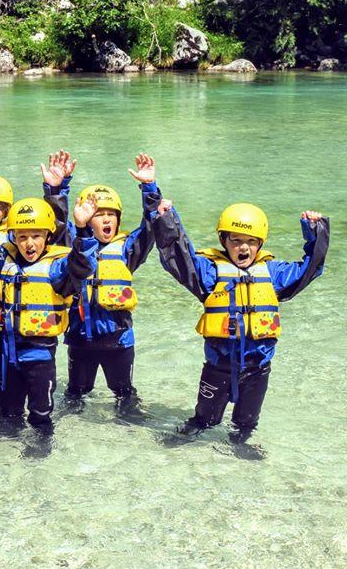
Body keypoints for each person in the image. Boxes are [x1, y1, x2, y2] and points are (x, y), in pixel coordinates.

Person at [151, 201, 329, 444]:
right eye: (235, 240)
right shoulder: (211, 273)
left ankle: (240, 452)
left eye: (251, 241)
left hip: (257, 369)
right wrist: (167, 219)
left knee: (245, 425)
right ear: (224, 241)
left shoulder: (273, 275)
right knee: (204, 419)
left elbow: (311, 267)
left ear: (260, 244)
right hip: (219, 367)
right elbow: (179, 258)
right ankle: (187, 438)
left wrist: (315, 230)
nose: (243, 247)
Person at [0, 195, 98, 435]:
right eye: (22, 237)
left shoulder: (56, 269)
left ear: (48, 237)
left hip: (40, 354)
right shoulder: (4, 263)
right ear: (13, 237)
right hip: (9, 351)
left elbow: (82, 266)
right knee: (10, 412)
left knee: (40, 413)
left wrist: (82, 230)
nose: (29, 244)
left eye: (36, 236)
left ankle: (41, 456)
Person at [63, 155, 161, 412]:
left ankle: (132, 436)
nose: (107, 220)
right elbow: (59, 220)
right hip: (80, 337)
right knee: (76, 394)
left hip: (118, 339)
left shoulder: (127, 250)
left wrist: (149, 188)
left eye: (112, 215)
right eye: (99, 214)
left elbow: (151, 226)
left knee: (124, 394)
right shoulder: (72, 245)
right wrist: (58, 187)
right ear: (84, 217)